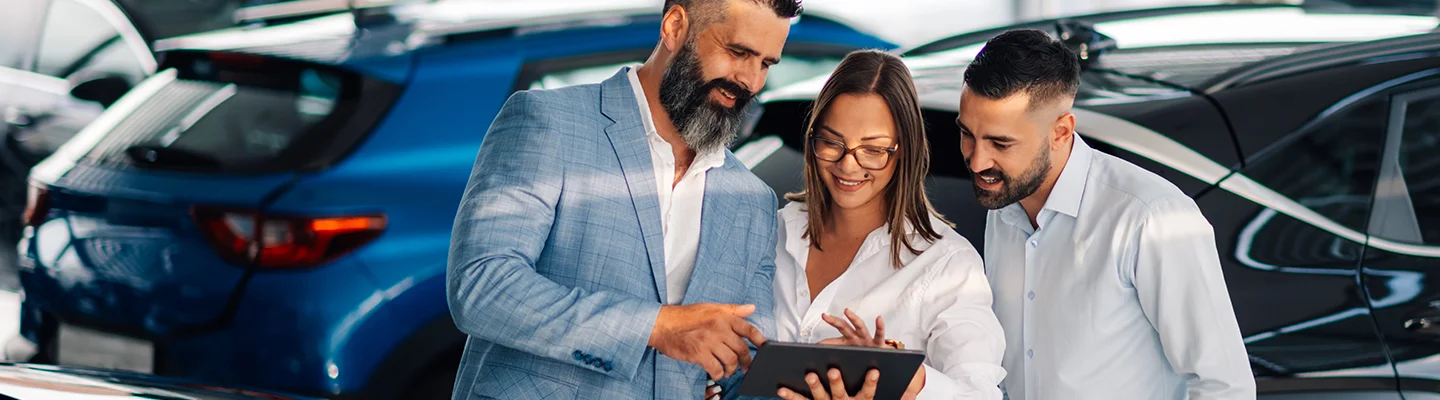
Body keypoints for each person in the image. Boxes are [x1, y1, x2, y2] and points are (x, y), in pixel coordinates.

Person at [445, 1, 800, 398]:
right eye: (738, 52)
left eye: (767, 64)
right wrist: (658, 326)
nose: (750, 80)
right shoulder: (549, 121)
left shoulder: (752, 200)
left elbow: (741, 365)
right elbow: (481, 286)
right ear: (675, 27)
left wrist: (817, 376)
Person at [957, 29, 1255, 399]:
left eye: (1001, 143)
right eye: (968, 134)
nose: (977, 160)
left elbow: (1224, 386)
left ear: (1061, 132)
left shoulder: (1151, 218)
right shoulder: (1003, 203)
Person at [763, 49, 1006, 400]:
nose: (848, 166)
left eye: (873, 150)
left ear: (903, 149)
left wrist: (903, 376)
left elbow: (979, 394)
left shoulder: (947, 265)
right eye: (832, 143)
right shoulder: (771, 233)